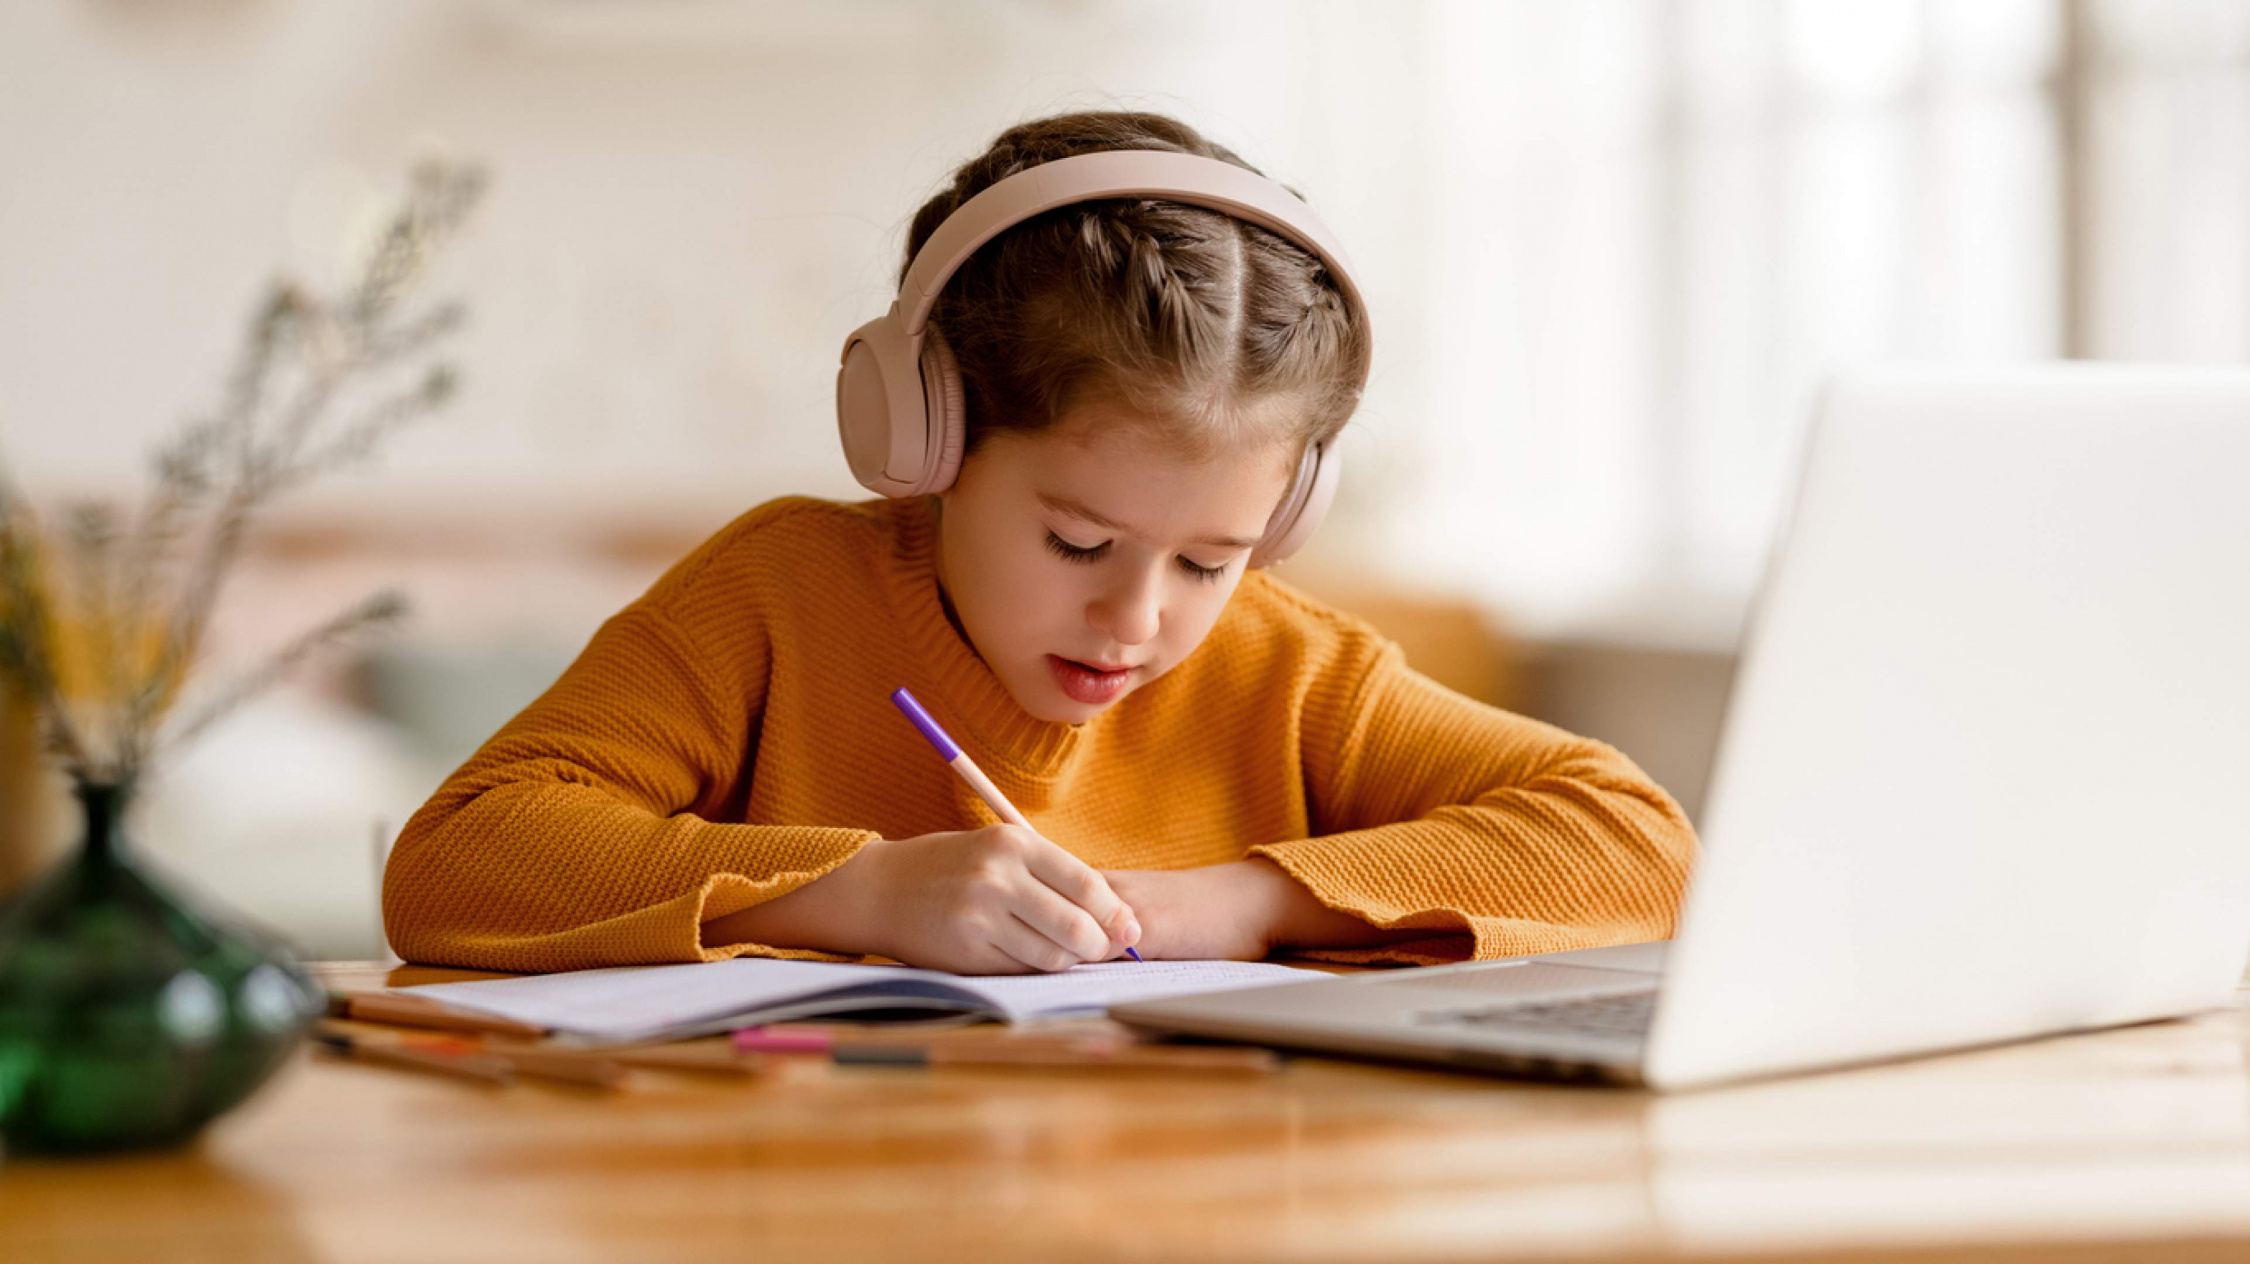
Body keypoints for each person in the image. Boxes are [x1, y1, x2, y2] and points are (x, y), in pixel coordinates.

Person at [382, 110, 1697, 975]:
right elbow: (458, 856)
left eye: (1207, 560)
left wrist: (1233, 906)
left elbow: (1637, 843)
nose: (1137, 618)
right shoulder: (777, 594)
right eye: (1077, 542)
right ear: (928, 445)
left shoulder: (1288, 670)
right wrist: (852, 894)